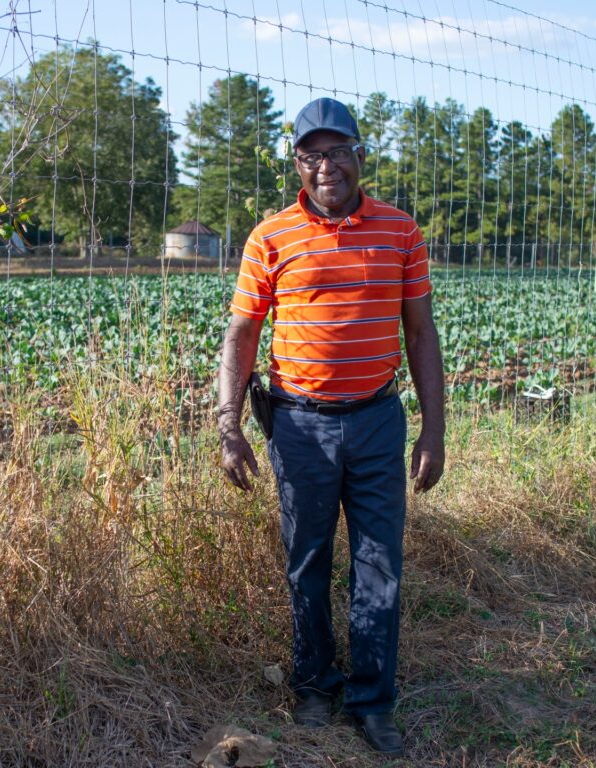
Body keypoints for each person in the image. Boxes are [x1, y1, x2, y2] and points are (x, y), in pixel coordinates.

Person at [216, 97, 445, 757]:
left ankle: (373, 701)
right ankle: (315, 686)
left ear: (359, 157)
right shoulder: (271, 236)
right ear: (297, 162)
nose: (326, 166)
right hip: (299, 427)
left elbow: (421, 332)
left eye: (337, 150)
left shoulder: (400, 231)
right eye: (313, 153)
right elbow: (242, 333)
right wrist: (229, 423)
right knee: (308, 562)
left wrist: (434, 428)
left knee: (379, 567)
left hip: (377, 421)